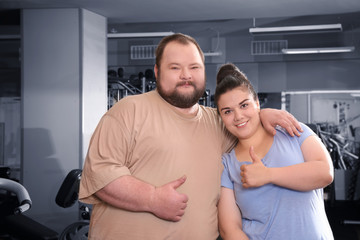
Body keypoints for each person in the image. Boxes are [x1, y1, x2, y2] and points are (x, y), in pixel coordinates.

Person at [79, 33, 302, 240]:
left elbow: (243, 124)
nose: (186, 75)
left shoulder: (217, 122)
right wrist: (152, 198)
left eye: (194, 67)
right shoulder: (129, 111)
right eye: (175, 67)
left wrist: (262, 113)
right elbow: (100, 175)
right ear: (157, 72)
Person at [215, 63, 334, 240]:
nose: (238, 116)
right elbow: (229, 229)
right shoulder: (227, 164)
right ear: (221, 117)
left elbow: (325, 173)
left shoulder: (293, 131)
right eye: (227, 111)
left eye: (244, 105)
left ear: (257, 103)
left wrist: (268, 174)